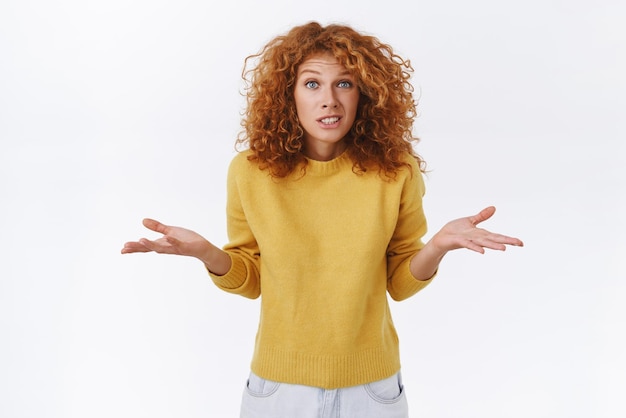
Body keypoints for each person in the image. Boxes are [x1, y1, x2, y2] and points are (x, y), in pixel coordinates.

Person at [121, 21, 523, 418]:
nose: (329, 99)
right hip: (279, 390)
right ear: (288, 95)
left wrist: (437, 246)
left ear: (364, 94)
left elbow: (399, 282)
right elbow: (251, 277)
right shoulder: (250, 171)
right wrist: (206, 253)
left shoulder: (395, 171)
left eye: (344, 84)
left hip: (372, 390)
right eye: (312, 84)